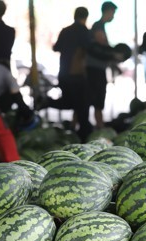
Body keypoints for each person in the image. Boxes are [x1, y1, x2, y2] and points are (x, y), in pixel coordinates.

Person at [49, 6, 121, 142]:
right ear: (85, 17)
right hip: (77, 74)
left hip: (63, 72)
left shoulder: (65, 31)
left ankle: (50, 105)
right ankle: (83, 137)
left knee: (71, 102)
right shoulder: (85, 32)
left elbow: (56, 47)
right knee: (81, 105)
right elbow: (92, 49)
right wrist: (112, 54)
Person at [86, 1, 118, 129]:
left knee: (93, 99)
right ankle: (99, 128)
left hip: (96, 69)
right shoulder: (98, 26)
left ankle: (92, 127)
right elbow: (103, 48)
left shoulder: (100, 26)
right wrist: (115, 55)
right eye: (113, 13)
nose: (113, 16)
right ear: (108, 11)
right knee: (97, 100)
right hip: (95, 70)